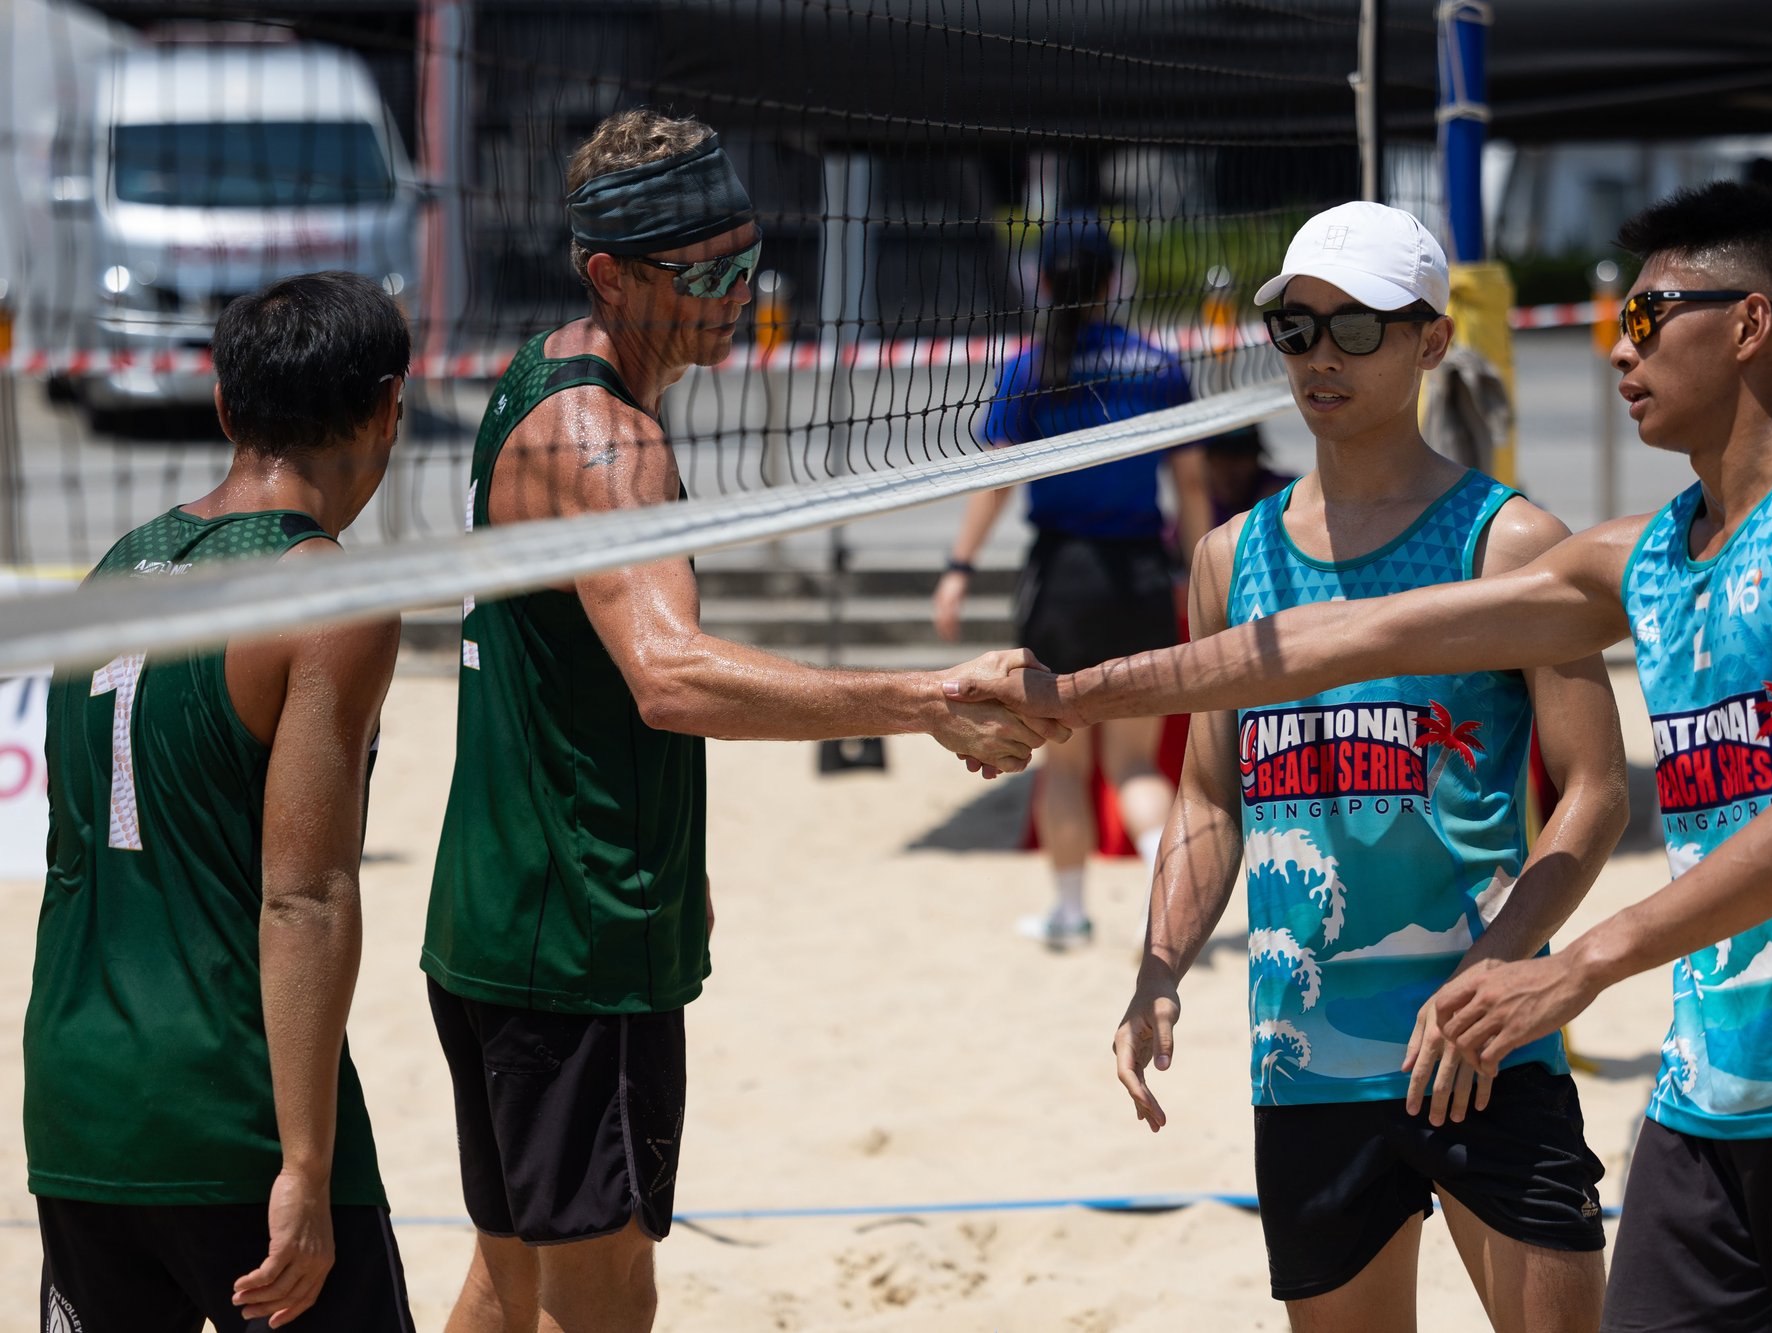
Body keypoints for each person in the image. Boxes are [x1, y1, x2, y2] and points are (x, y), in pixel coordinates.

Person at [950, 181, 1772, 1331]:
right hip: (1692, 1092)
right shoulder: (1640, 559)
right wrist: (1067, 694)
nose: (1615, 349)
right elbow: (1331, 641)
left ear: (1749, 325)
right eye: (1291, 327)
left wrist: (1566, 964)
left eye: (1644, 319)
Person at [423, 109, 1058, 1333]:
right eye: (701, 274)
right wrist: (922, 699)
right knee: (602, 1301)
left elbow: (598, 686)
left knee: (508, 1275)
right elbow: (671, 677)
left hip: (514, 910)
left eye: (745, 261)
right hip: (573, 941)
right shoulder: (604, 437)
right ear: (608, 273)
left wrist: (677, 848)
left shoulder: (546, 379)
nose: (736, 295)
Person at [1116, 201, 1631, 1329]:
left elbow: (1594, 790)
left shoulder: (1506, 543)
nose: (1319, 357)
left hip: (1485, 1043)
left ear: (1429, 341)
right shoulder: (1228, 559)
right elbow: (1210, 793)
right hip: (1304, 1057)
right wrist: (1157, 967)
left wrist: (1496, 972)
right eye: (1296, 328)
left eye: (1356, 328)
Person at [26, 271, 415, 1330]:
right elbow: (305, 896)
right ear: (389, 409)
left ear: (225, 408)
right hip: (228, 1105)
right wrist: (305, 1163)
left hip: (78, 1099)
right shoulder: (327, 595)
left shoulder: (109, 573)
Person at [933, 215, 1210, 948]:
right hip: (1141, 577)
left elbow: (994, 483)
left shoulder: (1029, 367)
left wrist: (958, 569)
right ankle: (1174, 905)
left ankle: (1068, 911)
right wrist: (1199, 568)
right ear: (1113, 281)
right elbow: (1190, 483)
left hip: (1063, 580)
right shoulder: (1157, 364)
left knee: (1064, 762)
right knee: (1133, 764)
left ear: (1045, 281)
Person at [1204, 423, 1293, 524]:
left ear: (1255, 459)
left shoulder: (1282, 491)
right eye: (1221, 459)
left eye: (1239, 457)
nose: (1231, 469)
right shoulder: (1203, 504)